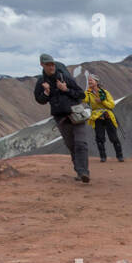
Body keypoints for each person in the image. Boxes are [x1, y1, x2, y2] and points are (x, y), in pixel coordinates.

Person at [33, 54, 89, 183]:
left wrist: (66, 89)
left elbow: (81, 94)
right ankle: (79, 171)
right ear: (42, 65)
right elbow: (39, 100)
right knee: (72, 146)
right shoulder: (42, 82)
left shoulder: (64, 78)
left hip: (76, 114)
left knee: (81, 143)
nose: (51, 66)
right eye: (48, 64)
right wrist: (46, 93)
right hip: (61, 118)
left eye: (52, 64)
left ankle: (84, 172)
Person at [83, 75, 122, 163]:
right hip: (97, 117)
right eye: (89, 81)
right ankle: (103, 157)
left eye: (91, 81)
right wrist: (86, 92)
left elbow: (112, 105)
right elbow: (83, 100)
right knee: (99, 138)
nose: (89, 82)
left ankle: (120, 156)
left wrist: (102, 101)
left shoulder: (105, 92)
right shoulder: (88, 94)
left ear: (96, 82)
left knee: (114, 137)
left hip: (107, 116)